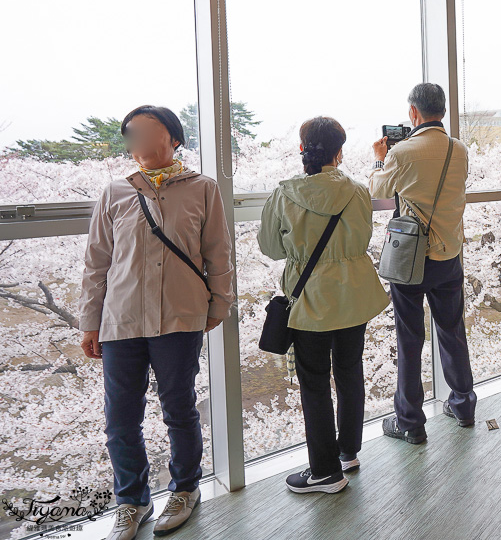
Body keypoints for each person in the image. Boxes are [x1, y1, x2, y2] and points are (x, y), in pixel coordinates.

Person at [79, 105, 235, 540]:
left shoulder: (203, 188)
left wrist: (218, 304)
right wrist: (90, 321)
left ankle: (185, 488)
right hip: (121, 321)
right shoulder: (115, 191)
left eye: (148, 130)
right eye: (132, 132)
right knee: (120, 418)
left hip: (180, 317)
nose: (138, 139)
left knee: (179, 408)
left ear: (174, 138)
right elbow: (97, 262)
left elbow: (217, 252)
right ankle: (133, 501)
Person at [258, 117, 389, 495]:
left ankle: (325, 472)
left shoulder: (284, 194)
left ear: (303, 150)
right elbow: (362, 236)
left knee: (313, 383)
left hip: (310, 299)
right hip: (354, 295)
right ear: (339, 152)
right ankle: (348, 453)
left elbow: (270, 248)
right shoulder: (358, 191)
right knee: (350, 371)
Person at [370, 83, 476, 444]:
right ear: (442, 111)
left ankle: (411, 423)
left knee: (410, 337)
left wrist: (379, 158)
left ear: (413, 112)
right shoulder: (460, 150)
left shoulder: (403, 152)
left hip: (411, 260)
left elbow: (379, 192)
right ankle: (463, 405)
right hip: (449, 255)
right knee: (452, 330)